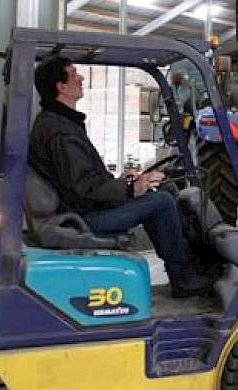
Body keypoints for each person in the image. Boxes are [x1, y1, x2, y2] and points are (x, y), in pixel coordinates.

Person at [28, 55, 212, 298]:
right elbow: (84, 188)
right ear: (61, 87)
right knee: (162, 202)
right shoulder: (60, 131)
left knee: (166, 192)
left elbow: (82, 179)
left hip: (80, 207)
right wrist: (129, 189)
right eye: (74, 74)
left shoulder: (61, 123)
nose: (81, 78)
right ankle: (184, 278)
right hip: (82, 216)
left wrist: (123, 180)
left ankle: (189, 264)